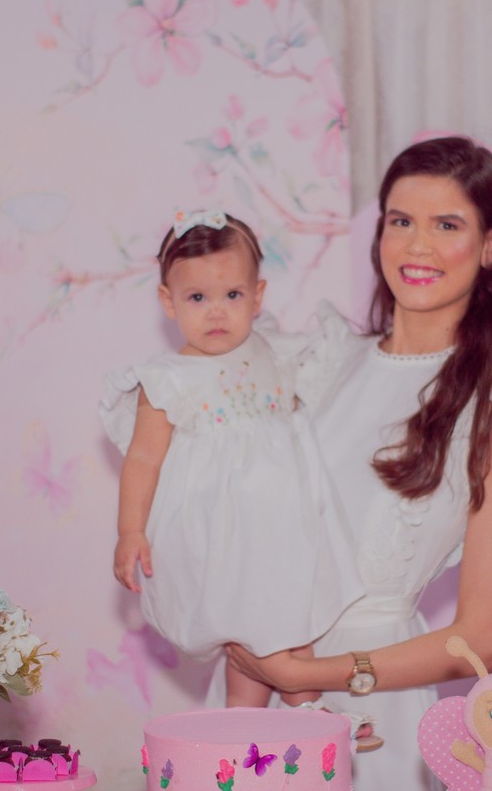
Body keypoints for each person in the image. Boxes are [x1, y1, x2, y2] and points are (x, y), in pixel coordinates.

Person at [223, 137, 492, 789]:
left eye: (447, 225)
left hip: (371, 715)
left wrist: (309, 675)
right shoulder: (319, 362)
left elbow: (482, 639)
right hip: (256, 694)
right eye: (401, 221)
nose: (417, 246)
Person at [99, 209, 364, 713]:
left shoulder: (273, 350)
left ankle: (286, 722)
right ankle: (292, 719)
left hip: (284, 529)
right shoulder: (168, 379)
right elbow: (143, 459)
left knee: (288, 629)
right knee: (253, 635)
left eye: (233, 295)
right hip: (223, 539)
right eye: (198, 298)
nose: (216, 312)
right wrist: (130, 530)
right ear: (169, 301)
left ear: (258, 296)